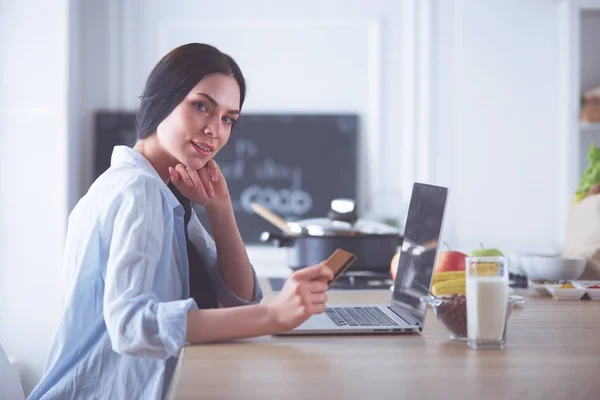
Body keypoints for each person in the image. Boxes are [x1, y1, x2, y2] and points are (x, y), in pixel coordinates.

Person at [28, 43, 333, 400]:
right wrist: (274, 317)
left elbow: (238, 302)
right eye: (201, 106)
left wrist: (221, 210)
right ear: (162, 99)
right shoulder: (137, 190)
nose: (214, 130)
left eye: (228, 119)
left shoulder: (164, 190)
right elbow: (131, 326)